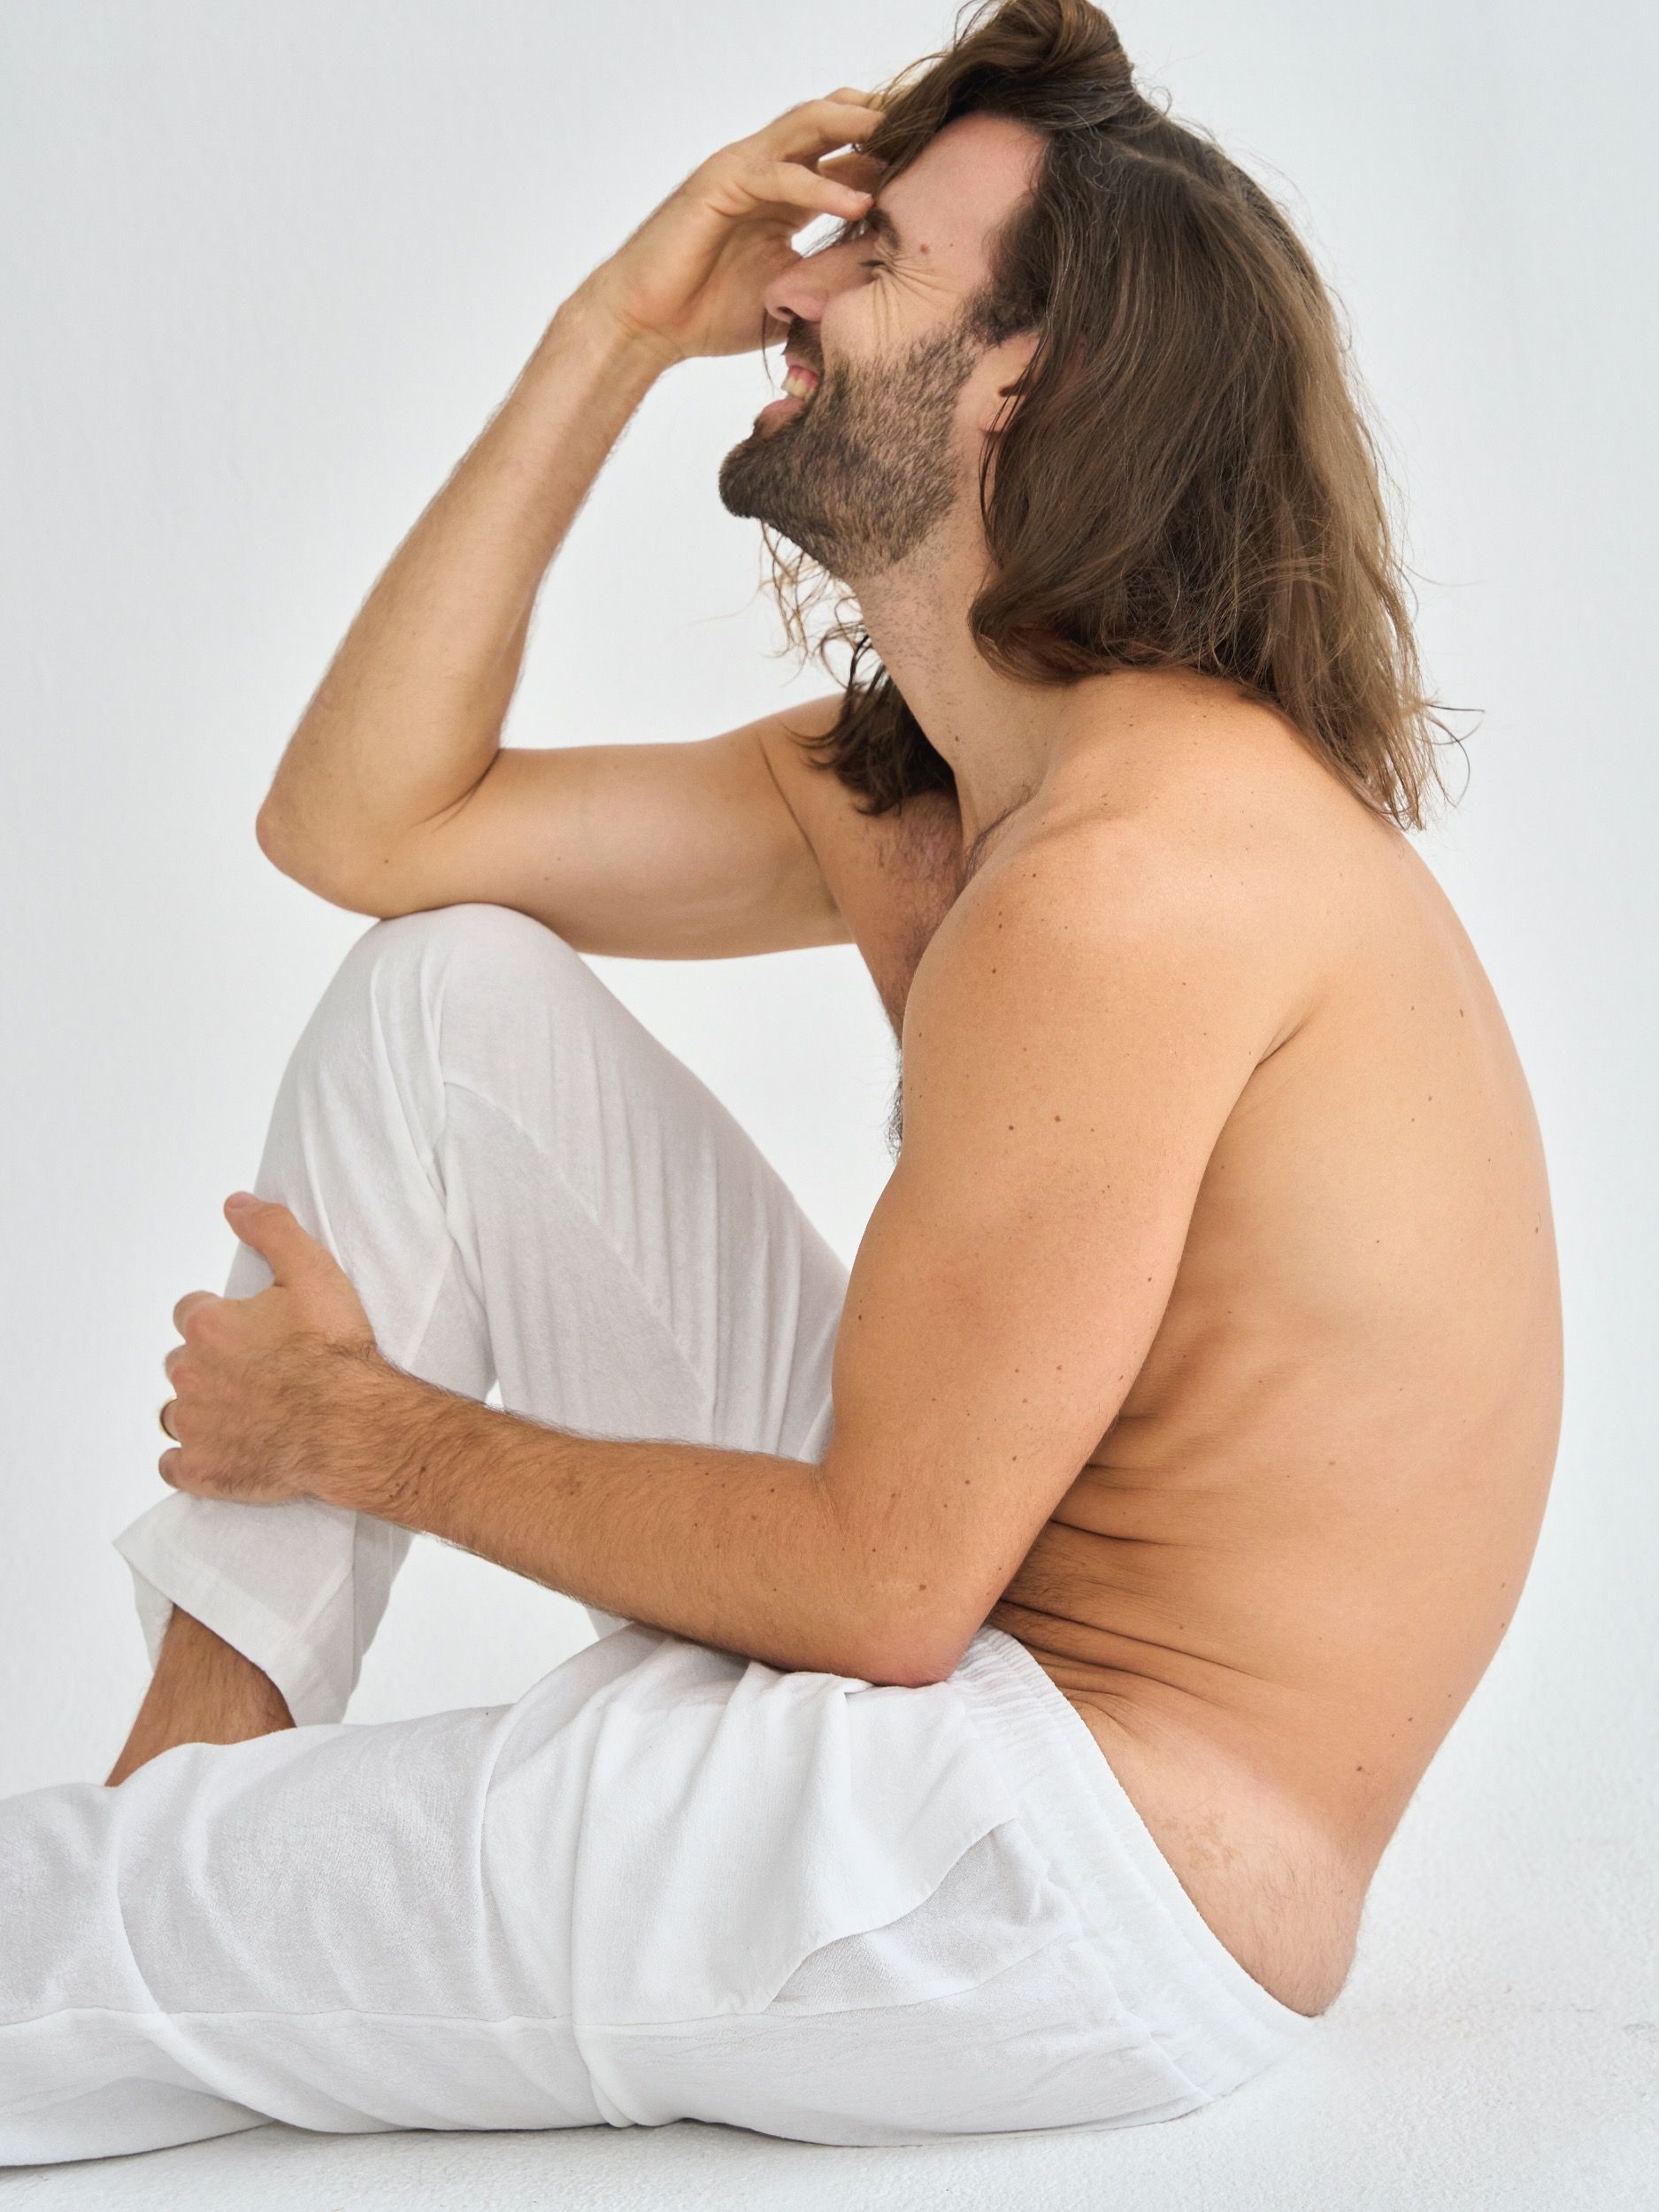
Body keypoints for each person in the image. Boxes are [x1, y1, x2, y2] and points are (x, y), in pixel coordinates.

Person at [1, 0, 1562, 2166]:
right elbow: (364, 828)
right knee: (445, 995)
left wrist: (360, 1436)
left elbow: (879, 1585)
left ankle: (163, 1878)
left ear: (1026, 380)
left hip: (1054, 1868)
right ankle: (195, 1778)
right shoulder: (951, 790)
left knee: (59, 1933)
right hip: (971, 1658)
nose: (796, 285)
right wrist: (610, 331)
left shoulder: (1131, 877)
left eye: (880, 255)